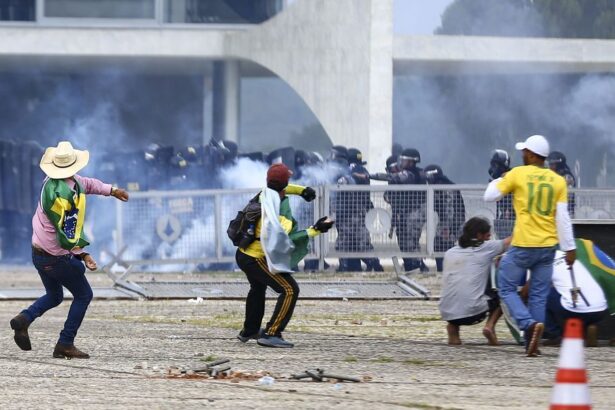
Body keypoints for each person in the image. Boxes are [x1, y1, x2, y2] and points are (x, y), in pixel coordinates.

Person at [9, 141, 129, 359]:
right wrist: (83, 255)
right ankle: (65, 343)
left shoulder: (58, 181)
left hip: (38, 253)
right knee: (84, 294)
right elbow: (67, 233)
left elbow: (88, 184)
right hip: (55, 256)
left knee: (54, 295)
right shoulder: (59, 198)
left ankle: (24, 319)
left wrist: (111, 190)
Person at [484, 134, 576, 357]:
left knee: (505, 287)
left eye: (524, 151)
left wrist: (502, 178)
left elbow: (490, 196)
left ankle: (527, 324)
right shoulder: (557, 180)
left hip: (524, 244)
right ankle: (531, 343)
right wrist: (570, 248)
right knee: (538, 295)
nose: (522, 154)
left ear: (532, 155)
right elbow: (562, 218)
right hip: (548, 247)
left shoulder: (518, 174)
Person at [235, 163, 331, 348]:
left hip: (243, 253)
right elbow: (285, 239)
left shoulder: (265, 193)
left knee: (258, 288)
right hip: (255, 258)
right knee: (289, 290)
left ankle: (250, 330)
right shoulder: (278, 212)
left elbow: (282, 187)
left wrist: (302, 191)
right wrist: (316, 230)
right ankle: (272, 333)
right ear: (283, 184)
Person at [439, 217, 511, 346]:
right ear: (479, 235)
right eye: (488, 235)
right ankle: (490, 326)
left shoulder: (450, 252)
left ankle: (453, 331)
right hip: (473, 313)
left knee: (460, 286)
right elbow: (513, 240)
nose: (490, 237)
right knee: (505, 294)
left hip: (447, 312)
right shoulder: (486, 247)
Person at [544, 239, 611, 347]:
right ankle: (586, 329)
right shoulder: (576, 256)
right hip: (601, 310)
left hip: (574, 311)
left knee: (540, 294)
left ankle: (555, 335)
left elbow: (528, 290)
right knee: (572, 293)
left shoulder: (543, 261)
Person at [335, 148, 383, 272]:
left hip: (348, 213)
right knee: (361, 243)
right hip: (360, 211)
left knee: (346, 243)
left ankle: (346, 267)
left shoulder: (349, 171)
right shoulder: (362, 170)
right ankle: (374, 265)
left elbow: (342, 184)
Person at [424, 164, 466, 272]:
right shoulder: (441, 186)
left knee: (442, 246)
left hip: (452, 223)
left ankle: (445, 272)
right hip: (449, 223)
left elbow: (449, 210)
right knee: (441, 246)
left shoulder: (446, 187)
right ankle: (445, 271)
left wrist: (447, 229)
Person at [488, 149, 515, 240]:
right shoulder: (499, 181)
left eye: (495, 165)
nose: (493, 168)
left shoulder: (511, 177)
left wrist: (509, 211)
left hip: (511, 216)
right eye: (493, 165)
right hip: (504, 216)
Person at [547, 151, 576, 217]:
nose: (550, 166)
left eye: (552, 164)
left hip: (565, 212)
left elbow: (567, 196)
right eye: (550, 164)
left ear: (559, 165)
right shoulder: (553, 175)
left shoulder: (567, 177)